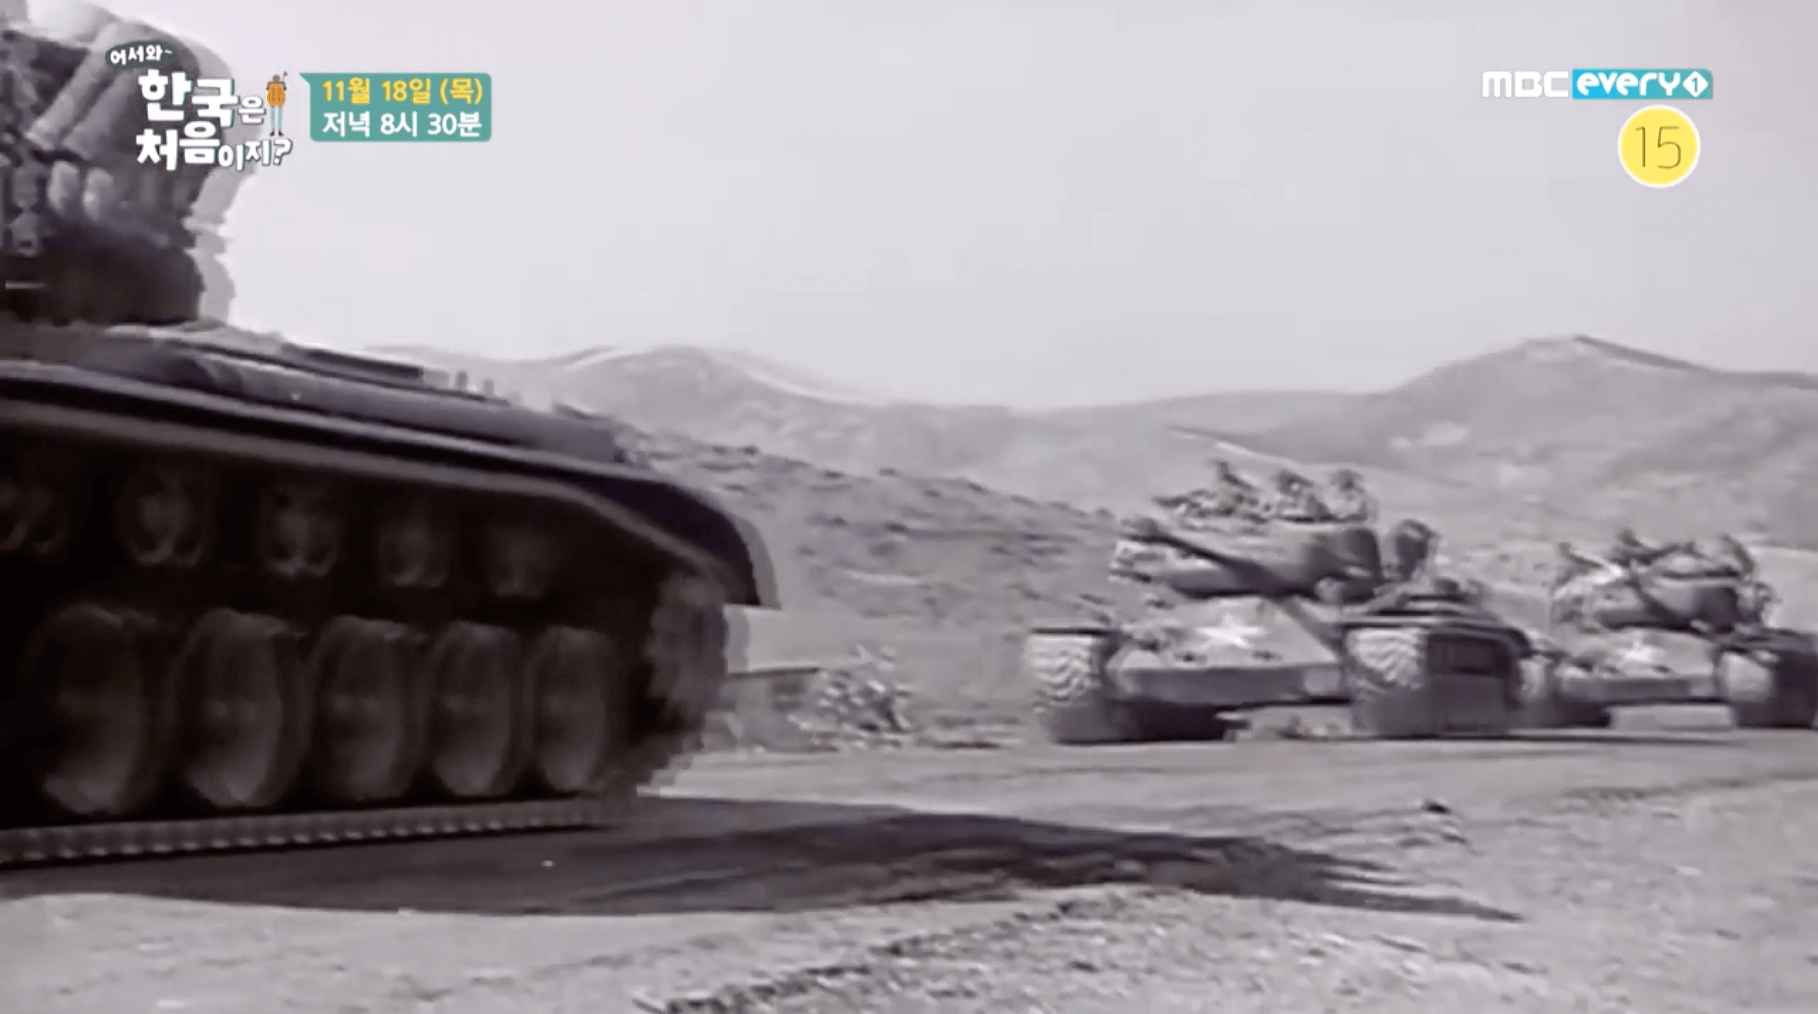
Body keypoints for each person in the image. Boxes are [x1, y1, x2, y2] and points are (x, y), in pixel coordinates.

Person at [1261, 468, 1330, 523]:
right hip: (1315, 516)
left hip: (1320, 517)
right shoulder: (1284, 499)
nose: (1276, 488)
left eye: (1278, 483)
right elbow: (1277, 510)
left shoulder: (1306, 494)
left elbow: (1318, 511)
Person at [265, 73, 287, 137]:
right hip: (273, 101)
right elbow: (268, 89)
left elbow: (284, 89)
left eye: (277, 78)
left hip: (279, 101)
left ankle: (279, 130)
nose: (276, 79)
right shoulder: (271, 84)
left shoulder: (281, 84)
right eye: (275, 78)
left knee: (278, 117)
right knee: (273, 117)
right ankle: (273, 130)